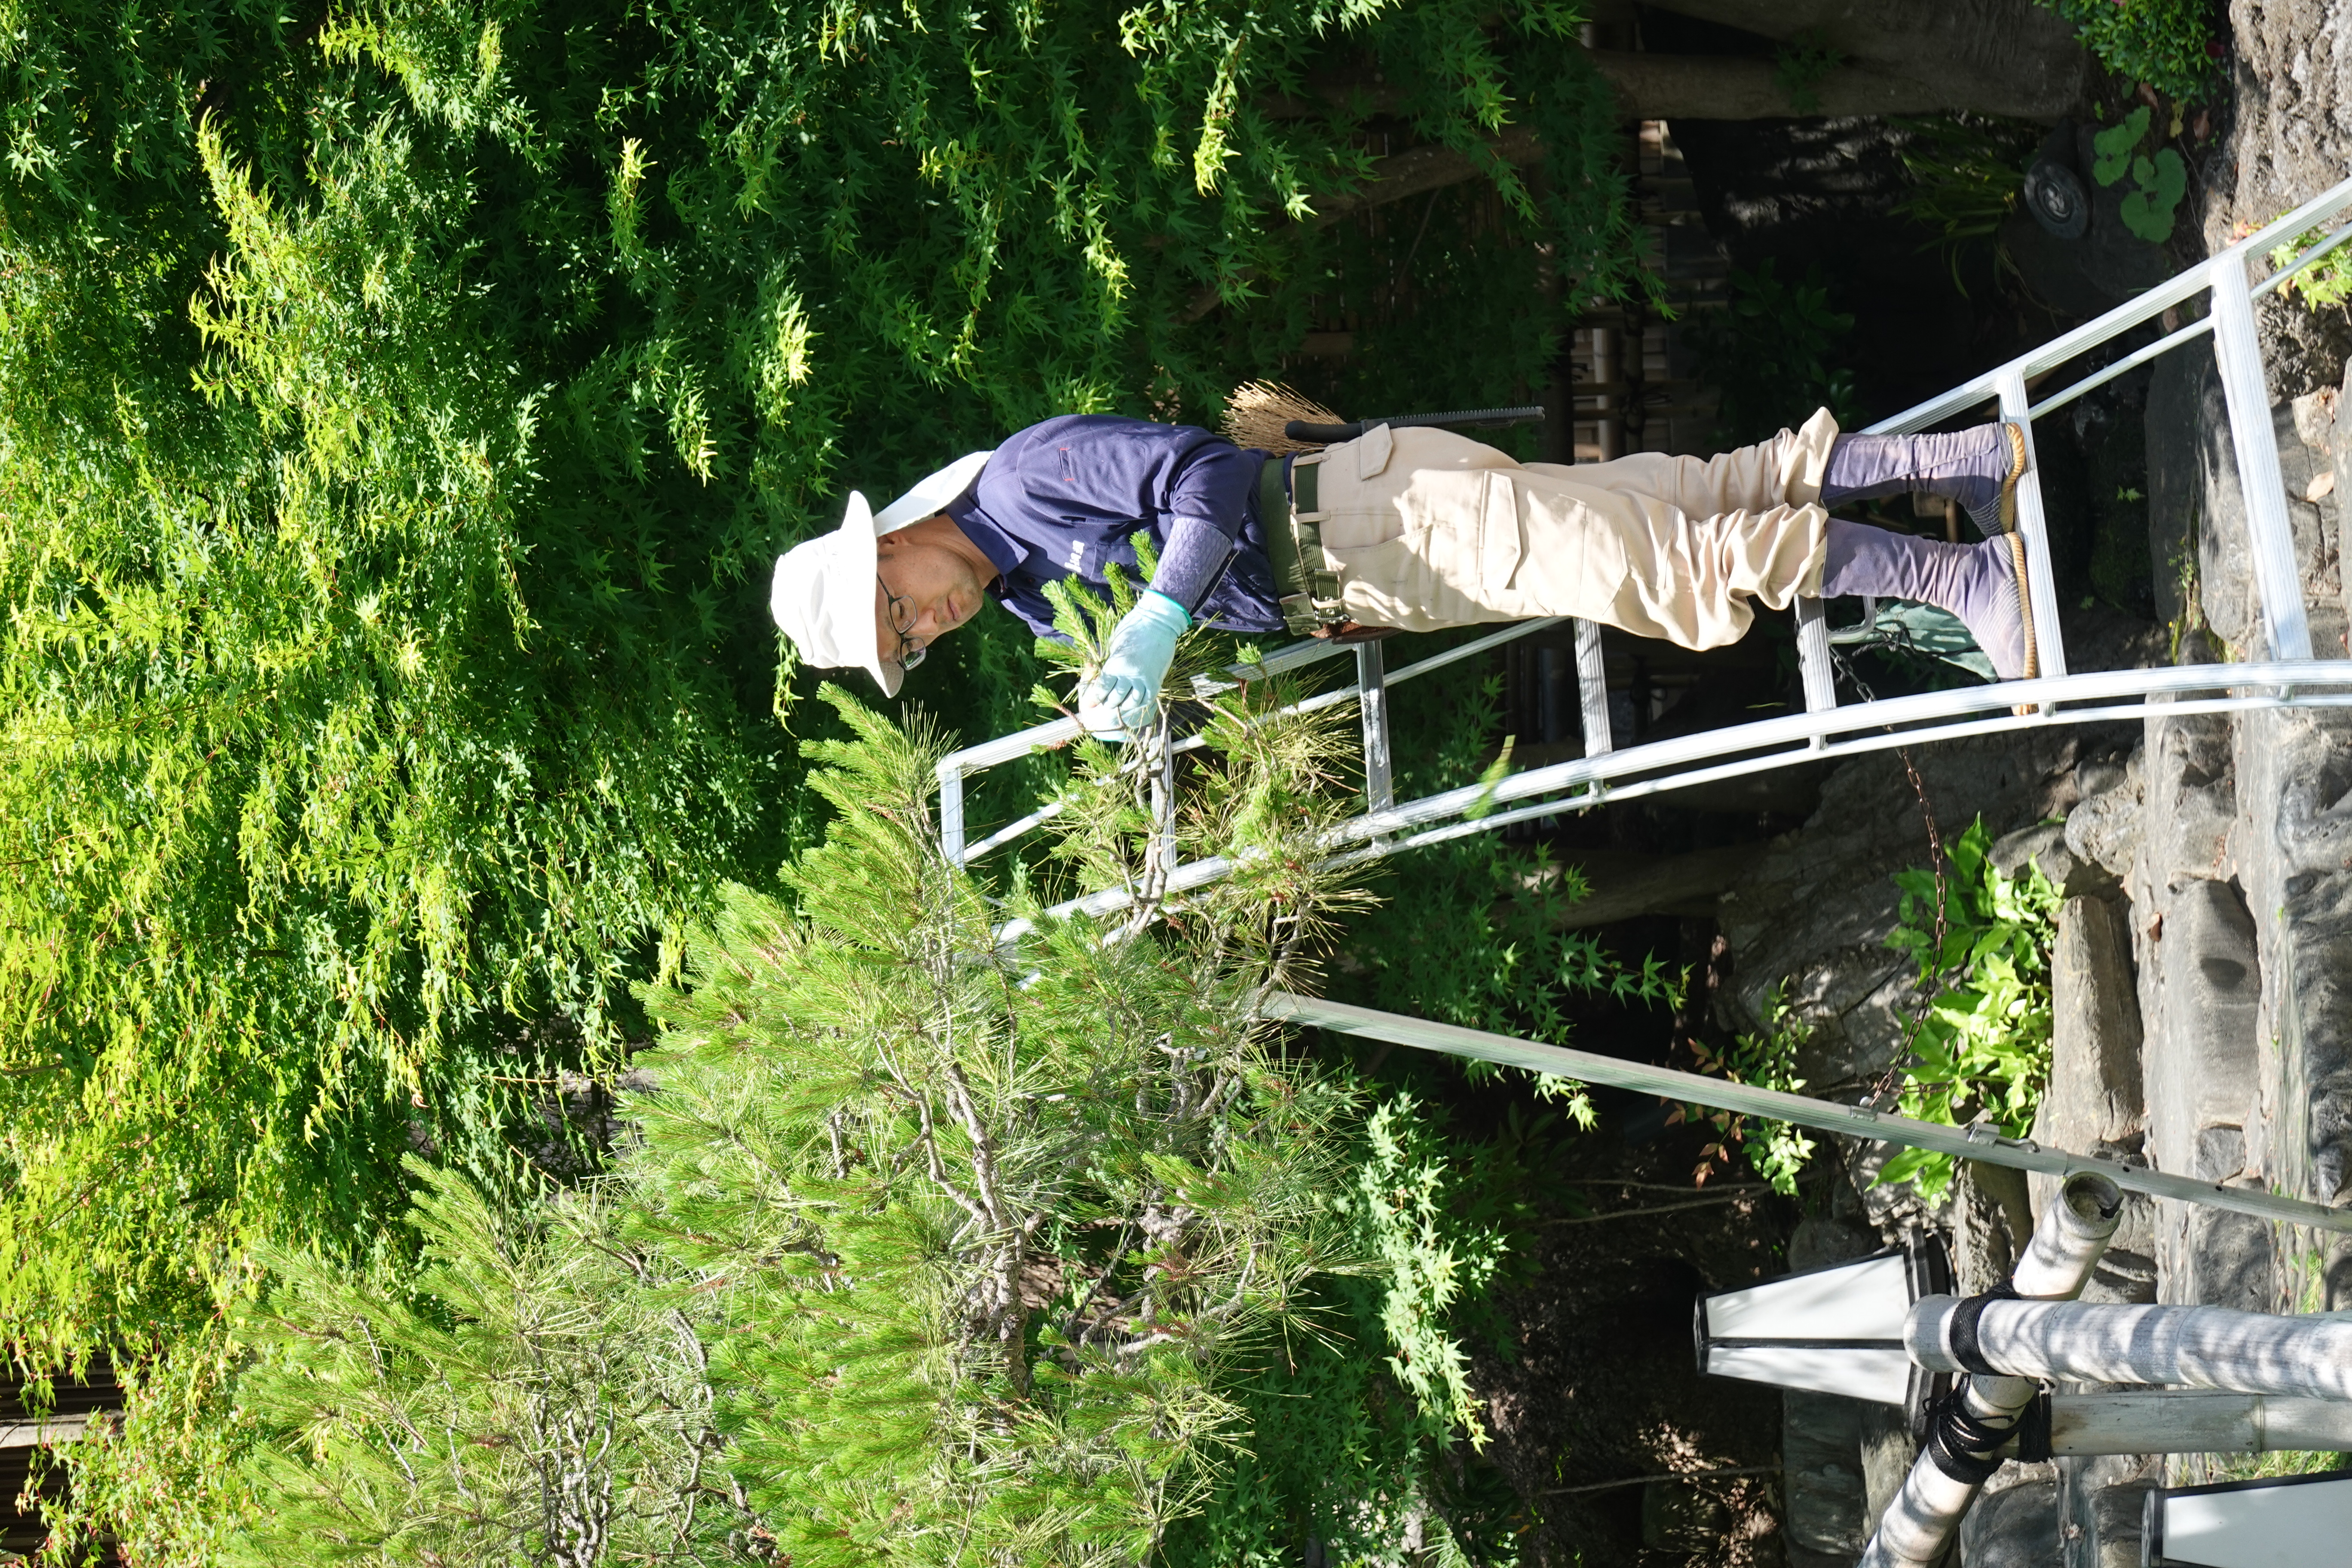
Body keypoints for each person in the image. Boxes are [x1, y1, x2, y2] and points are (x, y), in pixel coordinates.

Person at [767, 410, 2035, 733]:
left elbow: (1207, 478)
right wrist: (1156, 690)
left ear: (890, 544)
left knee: (1671, 574)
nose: (927, 622)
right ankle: (1967, 459)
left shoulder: (1029, 479)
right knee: (1686, 496)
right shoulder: (1037, 597)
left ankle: (1960, 581)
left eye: (899, 607)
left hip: (1374, 518)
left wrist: (1154, 618)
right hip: (1372, 582)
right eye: (911, 643)